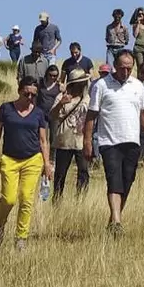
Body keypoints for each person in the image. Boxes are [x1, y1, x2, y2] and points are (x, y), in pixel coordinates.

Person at [83, 50, 144, 237]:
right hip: (109, 142)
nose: (125, 72)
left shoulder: (137, 86)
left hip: (132, 141)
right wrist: (87, 141)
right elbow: (91, 116)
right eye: (122, 68)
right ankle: (117, 222)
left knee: (127, 181)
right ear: (115, 66)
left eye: (129, 68)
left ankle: (113, 221)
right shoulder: (101, 85)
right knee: (113, 179)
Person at [0, 76, 53, 251]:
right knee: (9, 199)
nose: (29, 98)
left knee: (26, 198)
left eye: (33, 95)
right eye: (26, 94)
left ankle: (21, 237)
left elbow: (43, 140)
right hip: (10, 159)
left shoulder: (39, 113)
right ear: (19, 90)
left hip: (32, 159)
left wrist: (47, 164)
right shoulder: (5, 109)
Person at [50, 69, 90, 200]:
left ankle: (81, 198)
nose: (83, 84)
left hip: (82, 141)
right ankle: (57, 199)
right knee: (61, 173)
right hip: (64, 141)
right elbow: (52, 116)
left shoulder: (88, 99)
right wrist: (61, 103)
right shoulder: (62, 97)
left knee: (83, 171)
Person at [37, 65, 62, 161]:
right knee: (42, 138)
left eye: (55, 76)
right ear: (47, 74)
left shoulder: (59, 86)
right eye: (51, 75)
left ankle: (52, 159)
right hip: (42, 115)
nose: (53, 78)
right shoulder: (40, 83)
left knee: (53, 138)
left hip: (54, 115)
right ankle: (42, 157)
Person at [89, 64, 111, 164]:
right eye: (103, 73)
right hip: (96, 111)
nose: (105, 75)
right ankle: (97, 158)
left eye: (106, 73)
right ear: (100, 73)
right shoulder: (95, 84)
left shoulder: (111, 84)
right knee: (95, 136)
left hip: (107, 112)